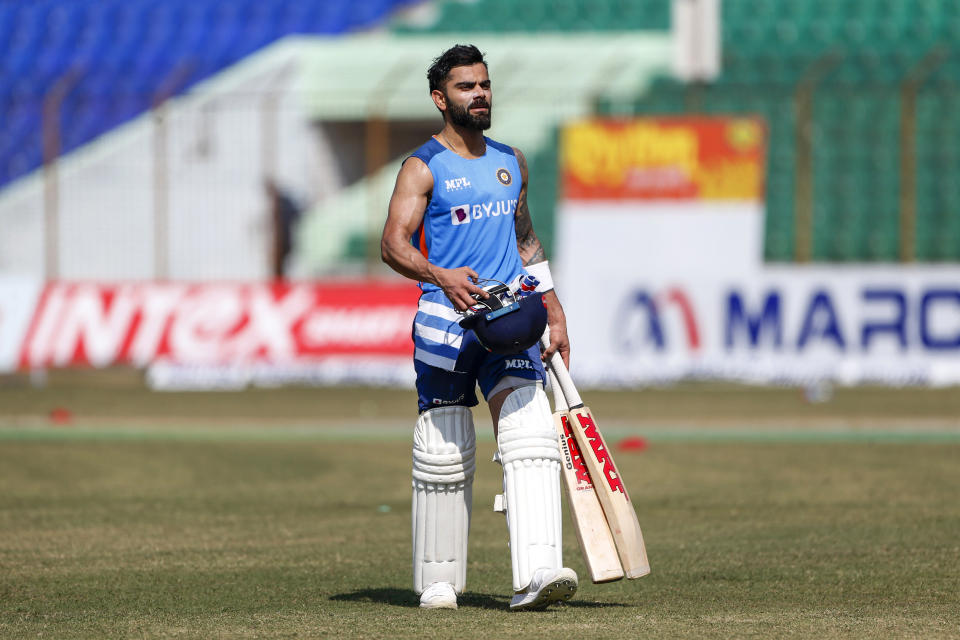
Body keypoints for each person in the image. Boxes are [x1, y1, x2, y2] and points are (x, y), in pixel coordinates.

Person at [380, 44, 577, 611]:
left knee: (531, 435)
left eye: (485, 84)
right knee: (444, 451)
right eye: (467, 87)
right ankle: (439, 581)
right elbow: (392, 244)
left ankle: (537, 573)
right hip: (445, 318)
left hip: (509, 314)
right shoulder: (423, 166)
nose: (481, 94)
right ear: (441, 99)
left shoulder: (511, 159)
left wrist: (556, 309)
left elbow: (526, 241)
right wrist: (438, 273)